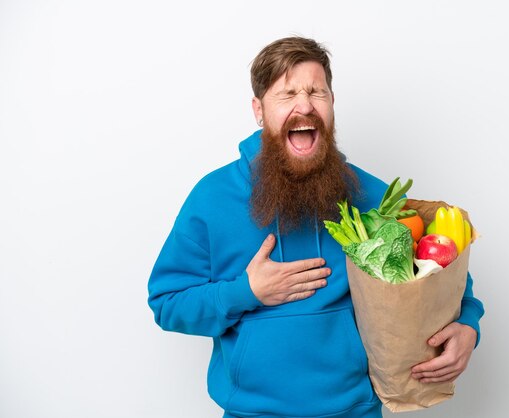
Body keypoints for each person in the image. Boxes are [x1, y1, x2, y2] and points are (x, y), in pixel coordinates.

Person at [148, 36, 484, 418]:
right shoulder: (212, 198)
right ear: (258, 110)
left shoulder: (372, 197)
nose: (304, 105)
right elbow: (167, 303)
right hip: (251, 413)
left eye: (316, 92)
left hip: (354, 410)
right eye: (287, 93)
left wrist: (468, 326)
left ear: (332, 103)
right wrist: (247, 291)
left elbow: (439, 274)